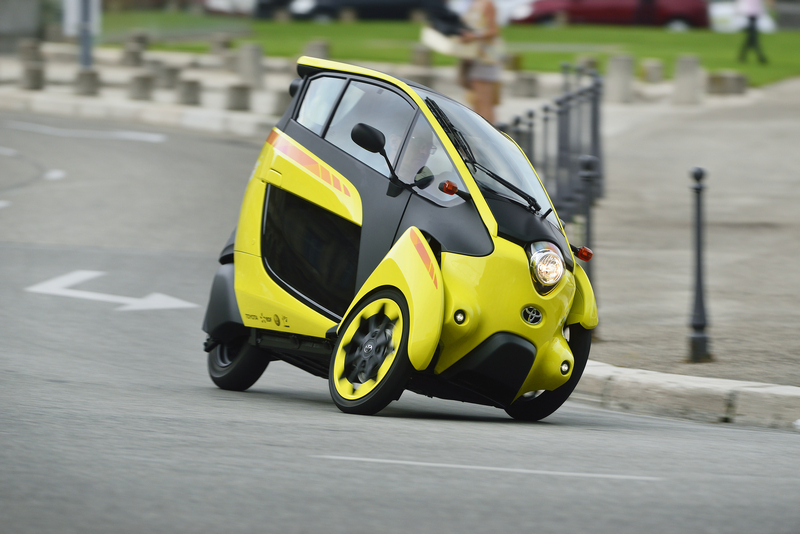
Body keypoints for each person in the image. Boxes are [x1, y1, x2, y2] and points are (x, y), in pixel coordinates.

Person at [458, 0, 503, 124]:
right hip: (473, 57)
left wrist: (474, 37)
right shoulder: (472, 3)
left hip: (486, 58)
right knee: (475, 100)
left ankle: (488, 131)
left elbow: (494, 30)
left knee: (484, 101)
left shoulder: (487, 4)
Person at [738, 0, 772, 64]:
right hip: (751, 13)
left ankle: (742, 56)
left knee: (751, 38)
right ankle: (760, 57)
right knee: (753, 37)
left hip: (753, 13)